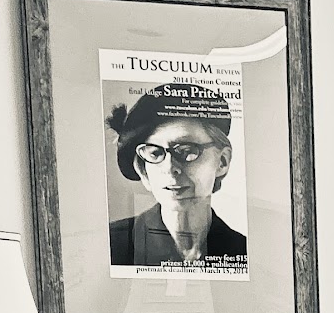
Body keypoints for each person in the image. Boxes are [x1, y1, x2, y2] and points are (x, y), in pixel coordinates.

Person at [106, 82, 248, 270]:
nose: (170, 168)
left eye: (187, 151)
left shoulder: (243, 252)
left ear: (222, 162)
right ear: (143, 171)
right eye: (155, 154)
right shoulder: (113, 246)